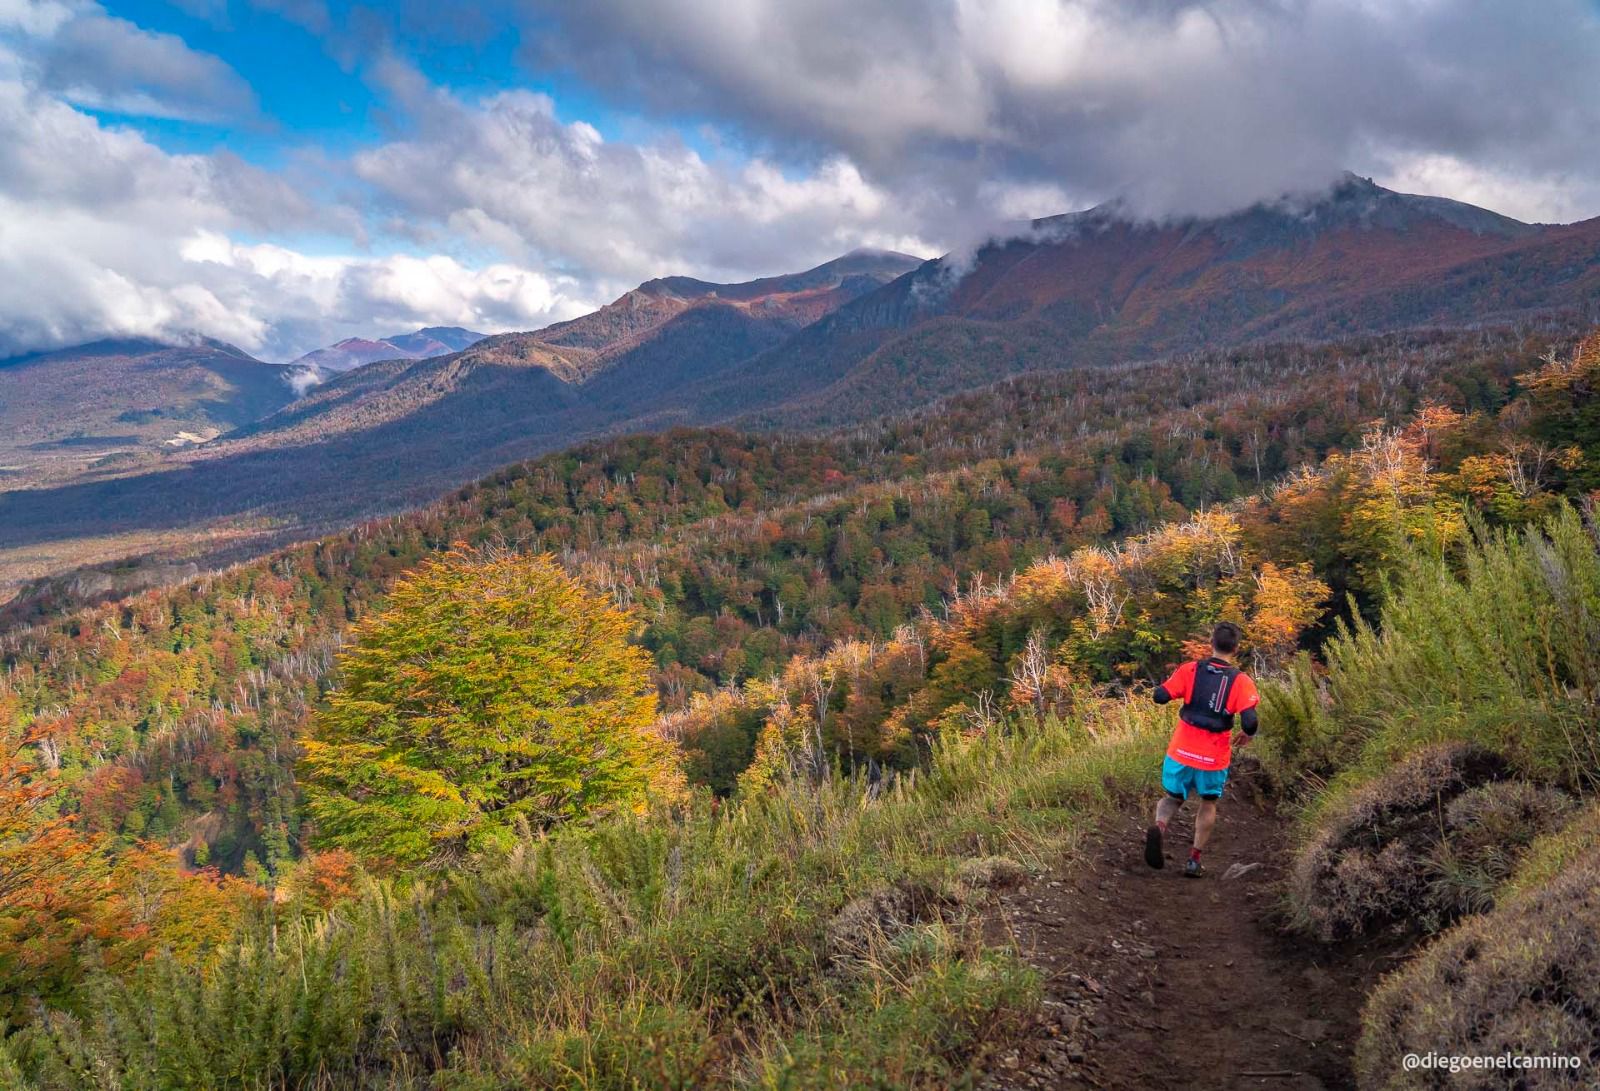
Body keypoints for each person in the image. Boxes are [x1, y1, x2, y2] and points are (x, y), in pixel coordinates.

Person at [1143, 622, 1259, 878]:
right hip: (1213, 757)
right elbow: (1250, 721)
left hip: (1181, 751)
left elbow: (1160, 696)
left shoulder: (1190, 670)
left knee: (1172, 797)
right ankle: (1194, 861)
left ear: (1211, 642)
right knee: (1208, 802)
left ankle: (1160, 827)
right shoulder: (1240, 681)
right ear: (1236, 649)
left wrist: (1166, 686)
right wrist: (1248, 734)